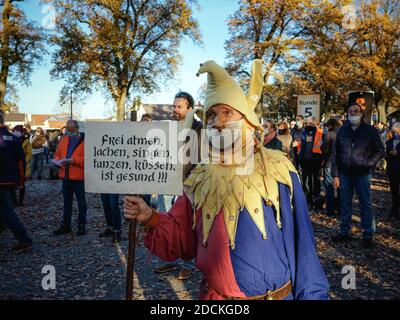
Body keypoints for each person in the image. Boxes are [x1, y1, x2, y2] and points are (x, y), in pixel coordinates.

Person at [124, 60, 329, 300]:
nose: (218, 122)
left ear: (246, 119)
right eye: (211, 115)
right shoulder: (200, 178)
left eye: (226, 113)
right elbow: (183, 239)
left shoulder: (278, 169)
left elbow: (304, 245)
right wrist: (149, 216)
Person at [153, 91, 201, 281]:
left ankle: (189, 264)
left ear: (190, 108)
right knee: (165, 222)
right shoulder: (169, 127)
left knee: (185, 225)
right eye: (174, 106)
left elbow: (199, 156)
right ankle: (169, 258)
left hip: (186, 183)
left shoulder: (199, 127)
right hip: (166, 181)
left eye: (179, 106)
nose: (175, 109)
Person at [331, 103, 385, 249]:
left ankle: (368, 234)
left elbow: (380, 150)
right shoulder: (342, 130)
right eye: (351, 111)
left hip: (363, 174)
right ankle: (344, 231)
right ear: (347, 114)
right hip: (345, 174)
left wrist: (369, 164)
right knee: (345, 203)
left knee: (365, 204)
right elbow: (335, 154)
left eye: (356, 111)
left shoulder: (370, 130)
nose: (353, 113)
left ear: (361, 114)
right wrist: (335, 175)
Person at [0, 114, 32, 253]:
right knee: (5, 209)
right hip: (10, 180)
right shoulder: (14, 138)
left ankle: (24, 239)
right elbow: (21, 161)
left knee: (7, 211)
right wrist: (20, 181)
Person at [53, 120, 87, 236]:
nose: (69, 131)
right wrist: (57, 160)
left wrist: (74, 161)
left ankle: (81, 226)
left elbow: (88, 160)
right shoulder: (64, 140)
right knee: (67, 203)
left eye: (71, 129)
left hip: (79, 178)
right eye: (67, 129)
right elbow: (57, 153)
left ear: (77, 128)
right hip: (66, 177)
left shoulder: (85, 141)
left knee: (81, 203)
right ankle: (66, 225)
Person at [298, 117, 324, 206]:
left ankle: (316, 199)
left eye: (310, 123)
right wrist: (300, 158)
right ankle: (308, 200)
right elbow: (301, 147)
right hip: (305, 161)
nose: (308, 125)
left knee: (316, 180)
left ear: (315, 123)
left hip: (316, 160)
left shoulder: (321, 132)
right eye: (307, 123)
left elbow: (324, 147)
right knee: (306, 181)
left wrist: (322, 159)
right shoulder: (304, 133)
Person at [321, 118, 341, 216]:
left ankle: (330, 210)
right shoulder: (342, 133)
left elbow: (324, 148)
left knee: (329, 186)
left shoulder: (329, 134)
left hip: (329, 162)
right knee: (341, 187)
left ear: (331, 125)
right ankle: (340, 208)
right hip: (341, 163)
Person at [11, 125, 32, 207]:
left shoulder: (26, 141)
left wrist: (24, 161)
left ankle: (21, 201)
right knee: (12, 184)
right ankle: (14, 201)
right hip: (12, 165)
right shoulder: (11, 140)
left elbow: (29, 154)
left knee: (22, 184)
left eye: (18, 131)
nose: (16, 132)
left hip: (22, 165)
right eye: (15, 130)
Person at [385, 122, 400, 220]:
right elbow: (387, 154)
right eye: (394, 132)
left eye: (397, 132)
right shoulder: (389, 142)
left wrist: (398, 153)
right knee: (394, 191)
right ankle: (394, 209)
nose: (396, 134)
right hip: (392, 169)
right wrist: (387, 155)